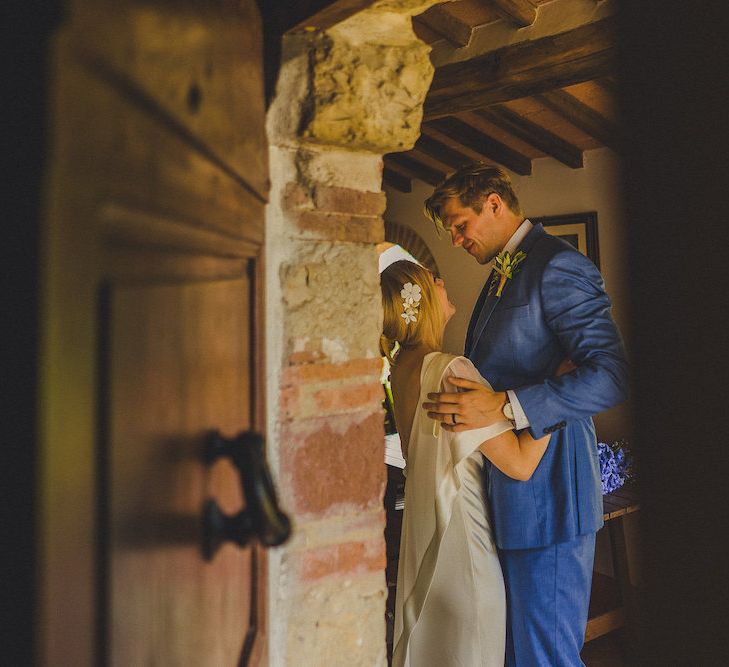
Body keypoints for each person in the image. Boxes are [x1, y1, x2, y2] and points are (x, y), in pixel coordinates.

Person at [421, 163, 629, 666]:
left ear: (493, 203)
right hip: (512, 495)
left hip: (551, 496)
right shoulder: (505, 272)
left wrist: (504, 404)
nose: (454, 239)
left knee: (545, 658)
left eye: (459, 224)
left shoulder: (557, 265)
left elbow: (611, 373)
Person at [382, 259, 557, 667]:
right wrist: (553, 397)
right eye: (432, 279)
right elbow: (519, 463)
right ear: (422, 300)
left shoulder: (399, 372)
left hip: (424, 539)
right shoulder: (450, 370)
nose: (443, 282)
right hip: (464, 547)